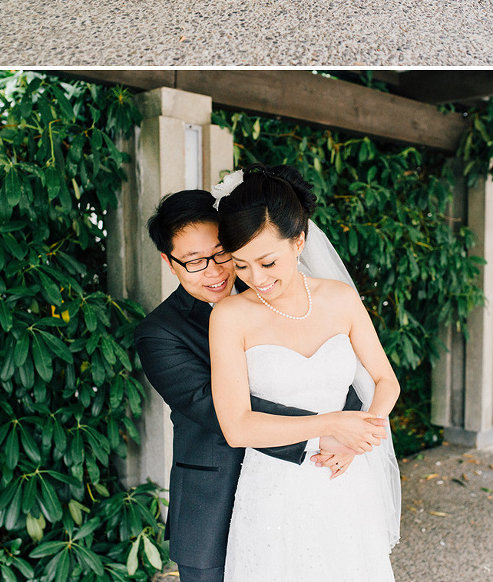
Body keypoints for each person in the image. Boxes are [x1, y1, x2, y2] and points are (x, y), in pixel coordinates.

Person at [134, 188, 376, 582]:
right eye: (194, 262)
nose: (214, 271)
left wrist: (351, 433)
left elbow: (328, 371)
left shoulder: (273, 292)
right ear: (169, 262)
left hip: (301, 490)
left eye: (221, 253)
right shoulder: (159, 333)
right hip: (212, 501)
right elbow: (215, 409)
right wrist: (328, 431)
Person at [210, 164, 402, 581]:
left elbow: (386, 381)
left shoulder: (340, 299)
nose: (255, 279)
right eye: (241, 266)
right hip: (274, 489)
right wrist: (332, 425)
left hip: (345, 477)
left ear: (298, 241)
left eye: (267, 262)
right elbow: (237, 427)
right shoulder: (229, 317)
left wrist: (357, 441)